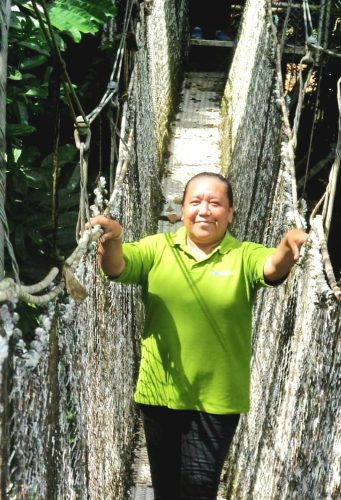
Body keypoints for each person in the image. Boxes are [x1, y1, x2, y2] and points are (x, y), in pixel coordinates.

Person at [91, 172, 308, 500]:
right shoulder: (158, 248)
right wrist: (113, 238)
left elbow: (271, 267)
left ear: (231, 213)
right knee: (167, 491)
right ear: (183, 210)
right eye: (195, 202)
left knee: (198, 489)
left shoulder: (243, 255)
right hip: (159, 393)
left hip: (216, 399)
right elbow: (116, 267)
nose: (204, 210)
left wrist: (288, 246)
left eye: (215, 203)